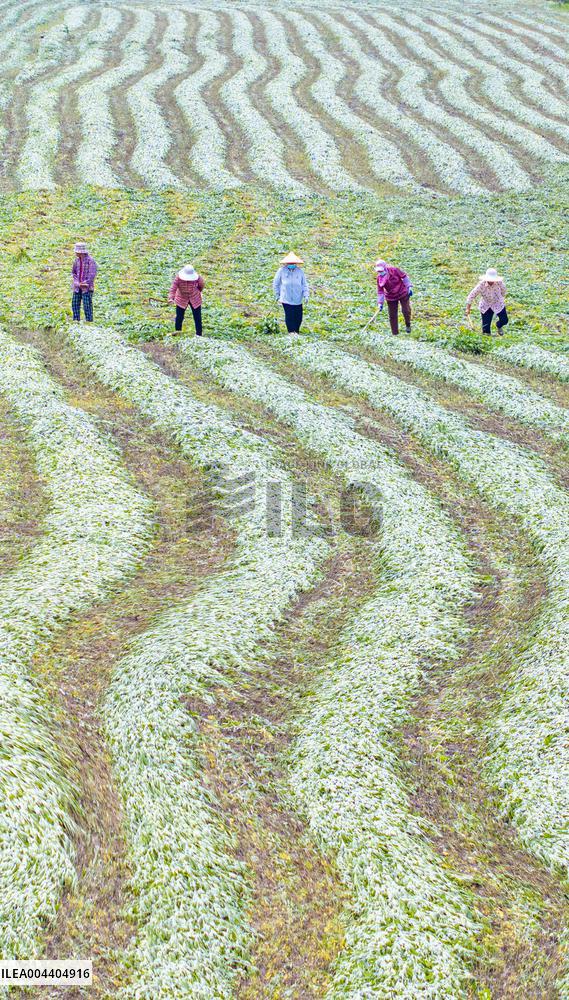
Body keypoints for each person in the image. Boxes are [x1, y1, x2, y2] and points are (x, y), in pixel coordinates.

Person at [273, 252, 309, 334]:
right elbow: (276, 283)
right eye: (290, 263)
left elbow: (304, 284)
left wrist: (306, 295)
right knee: (289, 315)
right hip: (286, 298)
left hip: (298, 298)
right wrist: (277, 294)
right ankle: (291, 332)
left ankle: (296, 331)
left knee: (298, 316)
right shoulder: (281, 271)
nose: (291, 264)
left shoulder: (300, 272)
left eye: (293, 263)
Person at [374, 259, 413, 336]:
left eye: (381, 271)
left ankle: (408, 325)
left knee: (406, 310)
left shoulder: (394, 270)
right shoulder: (379, 278)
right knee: (392, 315)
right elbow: (380, 291)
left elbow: (404, 277)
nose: (380, 273)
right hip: (390, 296)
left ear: (385, 268)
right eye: (379, 271)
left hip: (402, 292)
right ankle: (395, 334)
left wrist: (409, 287)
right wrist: (380, 303)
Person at [465, 267, 508, 335]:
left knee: (504, 320)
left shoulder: (499, 283)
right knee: (486, 328)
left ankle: (499, 325)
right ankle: (488, 339)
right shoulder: (481, 285)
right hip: (486, 305)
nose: (491, 281)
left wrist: (500, 297)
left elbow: (504, 290)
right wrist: (468, 308)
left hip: (498, 303)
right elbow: (471, 295)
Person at [169, 264, 205, 336]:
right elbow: (173, 288)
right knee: (179, 317)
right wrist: (171, 298)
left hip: (195, 298)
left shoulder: (198, 278)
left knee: (197, 317)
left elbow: (201, 285)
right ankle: (178, 332)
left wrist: (197, 292)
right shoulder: (178, 278)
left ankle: (199, 335)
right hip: (181, 298)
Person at [71, 242, 98, 322]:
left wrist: (85, 283)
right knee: (75, 304)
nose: (75, 253)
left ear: (81, 252)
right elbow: (74, 273)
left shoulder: (91, 261)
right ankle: (76, 321)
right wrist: (77, 283)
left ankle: (89, 322)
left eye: (77, 251)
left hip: (87, 288)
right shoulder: (76, 261)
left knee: (87, 306)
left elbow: (92, 274)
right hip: (77, 287)